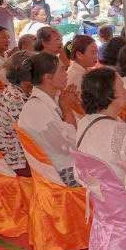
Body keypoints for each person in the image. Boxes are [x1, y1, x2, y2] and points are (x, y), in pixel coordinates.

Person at [17, 52, 80, 184]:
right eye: (62, 70)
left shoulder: (53, 99)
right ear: (48, 78)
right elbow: (70, 146)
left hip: (67, 165)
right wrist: (67, 109)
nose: (66, 73)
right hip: (61, 173)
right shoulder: (36, 109)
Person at [73, 68, 126, 167]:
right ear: (108, 94)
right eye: (121, 87)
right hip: (117, 177)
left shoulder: (85, 121)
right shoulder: (120, 130)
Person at [0, 52, 34, 173]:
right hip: (18, 163)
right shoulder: (16, 99)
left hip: (18, 157)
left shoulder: (16, 90)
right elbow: (35, 135)